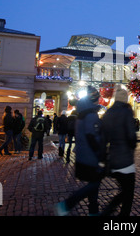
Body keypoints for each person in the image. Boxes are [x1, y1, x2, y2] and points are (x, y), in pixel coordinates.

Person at [54, 86, 105, 216]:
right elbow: (92, 136)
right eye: (97, 98)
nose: (99, 101)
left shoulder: (81, 114)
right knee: (94, 183)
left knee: (94, 183)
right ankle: (68, 203)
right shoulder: (91, 115)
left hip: (83, 155)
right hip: (90, 156)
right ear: (93, 99)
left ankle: (93, 211)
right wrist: (100, 154)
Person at [100, 86, 137, 216]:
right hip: (126, 159)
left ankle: (108, 210)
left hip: (113, 159)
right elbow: (131, 136)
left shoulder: (108, 113)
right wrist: (132, 145)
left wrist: (104, 157)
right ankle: (117, 214)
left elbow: (103, 138)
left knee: (124, 190)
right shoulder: (126, 112)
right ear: (125, 99)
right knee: (128, 192)